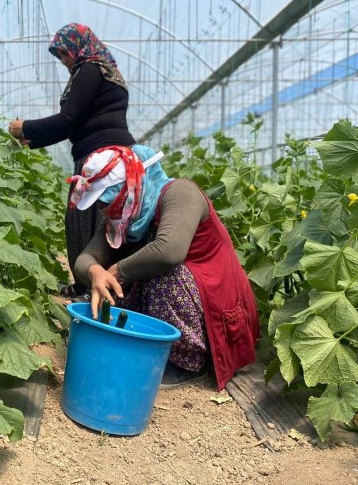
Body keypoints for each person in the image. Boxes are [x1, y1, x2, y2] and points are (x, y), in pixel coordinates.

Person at [69, 144, 260, 389]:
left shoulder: (181, 193)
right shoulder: (123, 216)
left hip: (213, 305)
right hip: (178, 301)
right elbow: (86, 258)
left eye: (107, 199)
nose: (104, 208)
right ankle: (151, 347)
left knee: (165, 275)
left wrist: (114, 271)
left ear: (129, 186)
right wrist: (95, 271)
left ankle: (188, 362)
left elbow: (169, 251)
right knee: (107, 289)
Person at [8, 23, 136, 299]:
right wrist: (34, 139)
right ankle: (85, 285)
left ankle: (95, 290)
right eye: (59, 55)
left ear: (79, 46)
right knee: (85, 219)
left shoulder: (89, 69)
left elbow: (67, 120)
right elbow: (73, 125)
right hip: (107, 156)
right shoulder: (103, 70)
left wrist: (26, 127)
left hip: (102, 159)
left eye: (65, 53)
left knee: (91, 221)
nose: (63, 60)